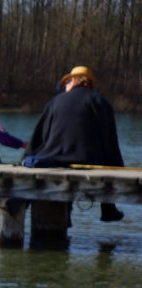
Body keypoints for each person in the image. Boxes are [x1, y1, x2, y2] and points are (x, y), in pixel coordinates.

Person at [23, 65, 124, 221]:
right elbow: (109, 140)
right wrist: (118, 167)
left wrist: (25, 158)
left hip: (54, 160)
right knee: (108, 159)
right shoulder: (100, 102)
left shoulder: (55, 102)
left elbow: (38, 136)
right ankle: (108, 208)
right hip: (89, 161)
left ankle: (60, 219)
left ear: (73, 81)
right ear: (89, 83)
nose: (64, 86)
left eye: (66, 82)